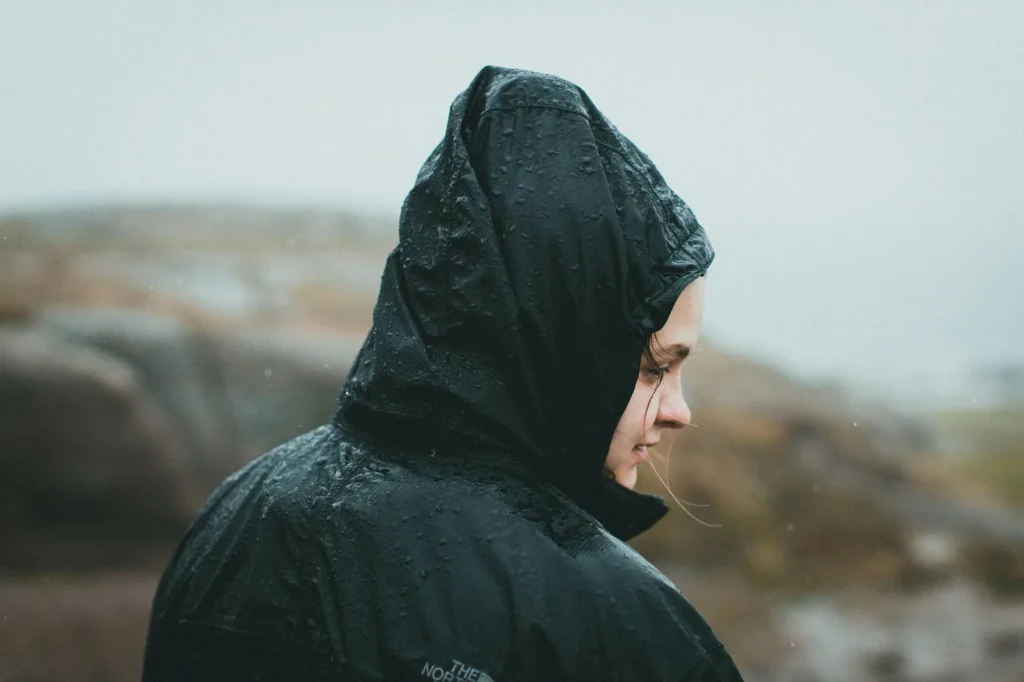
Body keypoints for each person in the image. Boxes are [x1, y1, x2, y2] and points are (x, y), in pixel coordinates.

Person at [142, 65, 745, 681]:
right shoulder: (614, 625)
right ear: (565, 347)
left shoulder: (236, 516)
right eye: (652, 368)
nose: (679, 411)